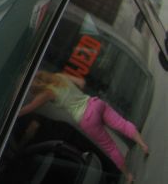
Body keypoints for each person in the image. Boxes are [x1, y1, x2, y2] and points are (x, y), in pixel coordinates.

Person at [20, 70, 148, 183]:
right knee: (122, 124)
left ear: (35, 87)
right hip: (95, 103)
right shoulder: (59, 76)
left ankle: (128, 175)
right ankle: (143, 145)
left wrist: (14, 111)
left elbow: (30, 107)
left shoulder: (46, 93)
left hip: (86, 118)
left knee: (109, 147)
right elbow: (82, 82)